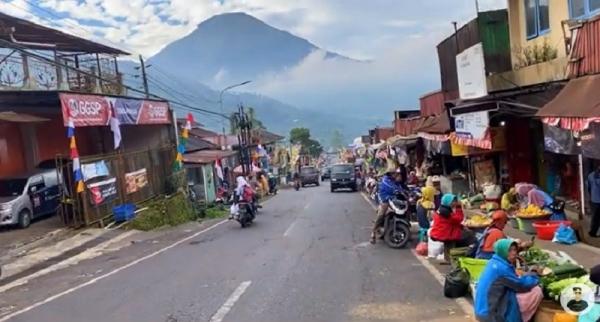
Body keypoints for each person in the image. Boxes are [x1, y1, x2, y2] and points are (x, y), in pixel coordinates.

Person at [474, 239, 540, 322]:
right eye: (509, 250)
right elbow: (522, 285)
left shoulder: (493, 261)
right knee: (535, 291)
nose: (513, 253)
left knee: (510, 292)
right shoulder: (501, 268)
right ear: (502, 251)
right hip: (489, 314)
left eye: (514, 250)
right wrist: (534, 275)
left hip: (481, 310)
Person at [370, 169, 404, 244]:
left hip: (392, 199)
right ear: (391, 174)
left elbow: (400, 188)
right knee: (381, 215)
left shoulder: (395, 181)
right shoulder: (386, 180)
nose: (398, 176)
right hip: (383, 199)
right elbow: (391, 188)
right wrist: (398, 190)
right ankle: (373, 233)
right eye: (396, 174)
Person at [587, 165, 600, 237]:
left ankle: (592, 232)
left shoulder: (590, 175)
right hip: (595, 200)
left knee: (595, 217)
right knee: (595, 218)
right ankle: (592, 232)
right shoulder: (591, 176)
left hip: (594, 200)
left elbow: (589, 188)